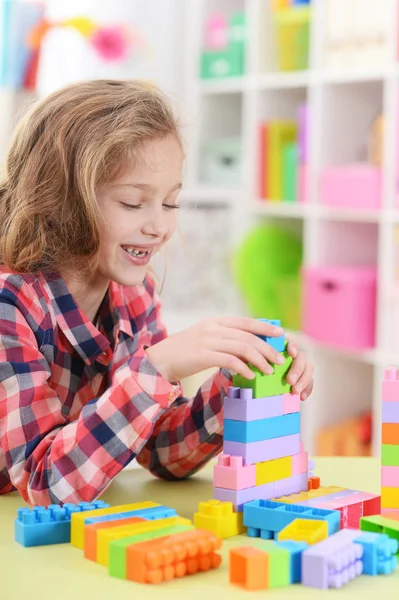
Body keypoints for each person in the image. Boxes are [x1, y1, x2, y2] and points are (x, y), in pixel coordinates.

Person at [0, 80, 314, 506]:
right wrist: (156, 367)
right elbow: (44, 483)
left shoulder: (134, 294)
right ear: (61, 199)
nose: (159, 226)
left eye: (170, 203)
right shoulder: (11, 303)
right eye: (133, 202)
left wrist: (238, 380)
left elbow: (164, 454)